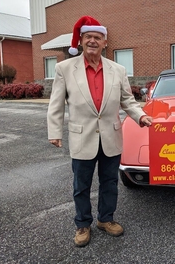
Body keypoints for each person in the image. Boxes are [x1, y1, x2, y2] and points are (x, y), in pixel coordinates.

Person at [47, 15, 153, 247]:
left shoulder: (118, 69)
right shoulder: (64, 68)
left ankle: (106, 219)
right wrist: (54, 132)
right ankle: (82, 224)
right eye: (88, 37)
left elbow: (128, 100)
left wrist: (141, 115)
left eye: (97, 37)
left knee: (109, 183)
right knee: (81, 185)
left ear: (105, 42)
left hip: (111, 137)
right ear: (81, 41)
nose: (93, 41)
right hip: (81, 137)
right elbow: (56, 103)